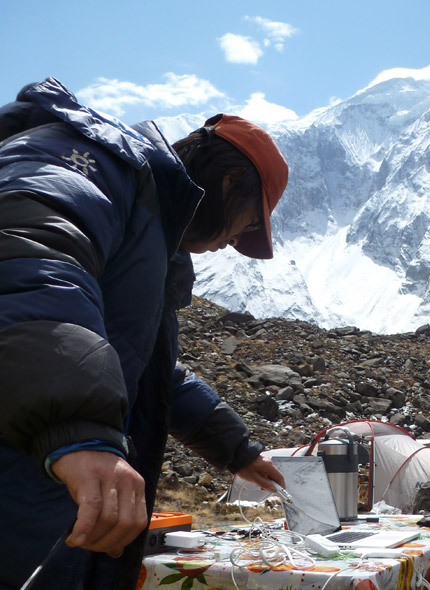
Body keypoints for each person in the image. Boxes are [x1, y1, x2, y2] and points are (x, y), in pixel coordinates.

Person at [0, 77, 291, 589]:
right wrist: (77, 430)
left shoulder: (151, 236)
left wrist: (237, 449)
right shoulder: (88, 163)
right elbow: (28, 263)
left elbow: (146, 366)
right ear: (227, 184)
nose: (234, 243)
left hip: (51, 489)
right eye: (247, 223)